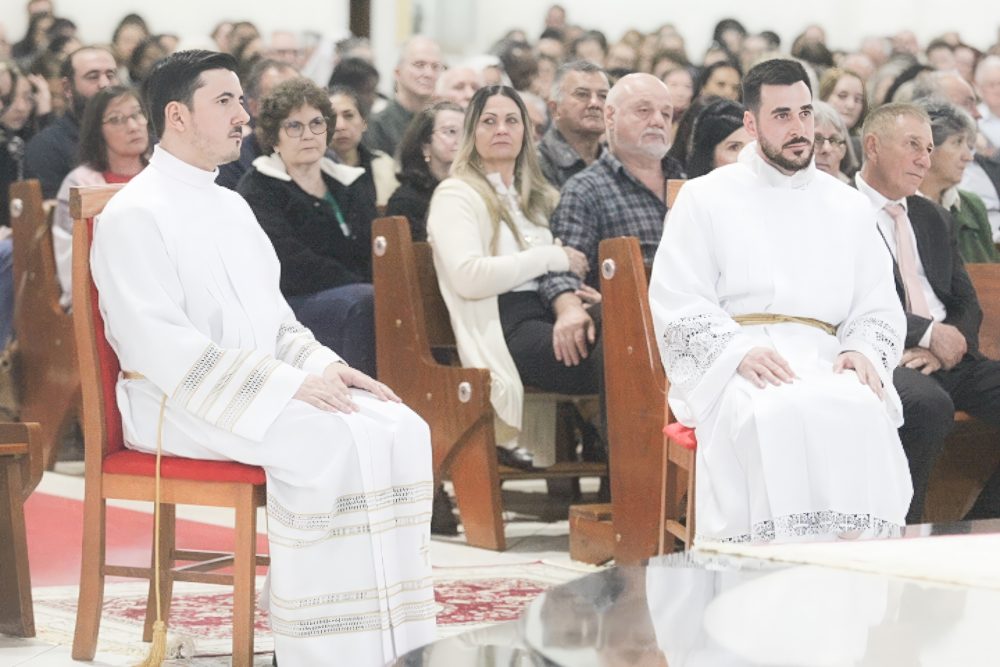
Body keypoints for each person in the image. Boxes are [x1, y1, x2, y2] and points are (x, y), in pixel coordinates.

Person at [92, 50, 435, 664]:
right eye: (225, 101)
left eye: (241, 100)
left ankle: (388, 638)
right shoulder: (133, 214)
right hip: (176, 400)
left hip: (252, 388)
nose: (243, 116)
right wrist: (280, 385)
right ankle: (318, 644)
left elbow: (276, 320)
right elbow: (157, 344)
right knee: (327, 440)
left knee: (400, 426)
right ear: (177, 114)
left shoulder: (232, 205)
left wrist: (324, 366)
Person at [650, 59, 912, 544]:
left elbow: (878, 301)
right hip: (743, 358)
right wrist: (736, 353)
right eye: (782, 116)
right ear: (751, 124)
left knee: (863, 411)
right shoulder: (706, 198)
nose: (799, 129)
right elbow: (679, 296)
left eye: (806, 113)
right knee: (771, 414)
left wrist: (864, 350)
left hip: (828, 356)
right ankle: (764, 578)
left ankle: (852, 580)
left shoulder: (848, 205)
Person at [426, 85, 596, 470]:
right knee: (621, 355)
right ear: (472, 133)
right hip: (503, 326)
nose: (501, 129)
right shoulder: (456, 195)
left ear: (526, 132)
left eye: (511, 120)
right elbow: (469, 276)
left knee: (629, 334)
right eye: (489, 121)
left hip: (547, 312)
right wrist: (551, 257)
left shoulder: (536, 197)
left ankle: (631, 482)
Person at [857, 102, 1000, 521]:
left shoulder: (931, 214)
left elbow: (965, 301)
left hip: (948, 355)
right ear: (872, 146)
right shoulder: (841, 211)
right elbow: (849, 302)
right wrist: (924, 334)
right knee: (926, 405)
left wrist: (945, 342)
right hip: (887, 354)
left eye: (930, 147)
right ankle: (905, 531)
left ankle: (982, 524)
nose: (925, 158)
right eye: (913, 145)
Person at [237, 78, 378, 377]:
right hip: (290, 304)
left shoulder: (349, 181)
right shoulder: (259, 187)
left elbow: (369, 248)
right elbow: (290, 264)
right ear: (274, 137)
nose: (308, 135)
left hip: (354, 291)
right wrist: (359, 283)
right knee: (367, 301)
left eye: (316, 123)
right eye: (294, 127)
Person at [53, 85, 150, 309]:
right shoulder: (80, 184)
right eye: (117, 120)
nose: (133, 126)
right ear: (97, 131)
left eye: (137, 114)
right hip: (105, 299)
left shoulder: (165, 172)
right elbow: (73, 263)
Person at [24, 45, 118, 198]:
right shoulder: (47, 147)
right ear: (67, 88)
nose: (105, 84)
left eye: (111, 75)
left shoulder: (137, 135)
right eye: (93, 76)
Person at [915, 97, 1000, 262]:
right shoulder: (899, 207)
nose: (968, 157)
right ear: (928, 148)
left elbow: (992, 273)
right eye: (957, 143)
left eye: (968, 146)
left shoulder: (972, 205)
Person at [385, 100, 463, 241]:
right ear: (425, 144)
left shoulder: (473, 190)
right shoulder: (406, 201)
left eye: (467, 133)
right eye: (451, 132)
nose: (461, 140)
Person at [215, 58, 297, 190]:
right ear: (253, 107)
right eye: (279, 100)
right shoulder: (232, 161)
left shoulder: (317, 152)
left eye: (298, 97)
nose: (291, 107)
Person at [364, 35, 442, 157]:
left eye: (435, 67)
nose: (429, 74)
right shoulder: (377, 125)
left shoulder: (440, 122)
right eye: (419, 65)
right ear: (398, 72)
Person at [536, 60, 608, 188]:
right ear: (554, 109)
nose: (595, 103)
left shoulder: (617, 160)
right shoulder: (534, 162)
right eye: (582, 94)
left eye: (603, 96)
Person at [329, 86, 398, 209]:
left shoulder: (383, 165)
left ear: (364, 123)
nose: (340, 126)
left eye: (349, 116)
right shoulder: (311, 170)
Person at [685, 97, 750, 178]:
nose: (747, 155)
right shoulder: (688, 189)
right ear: (709, 156)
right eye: (734, 147)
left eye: (752, 146)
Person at [812, 100, 857, 183]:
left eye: (833, 140)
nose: (826, 148)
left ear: (843, 151)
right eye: (817, 139)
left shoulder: (852, 193)